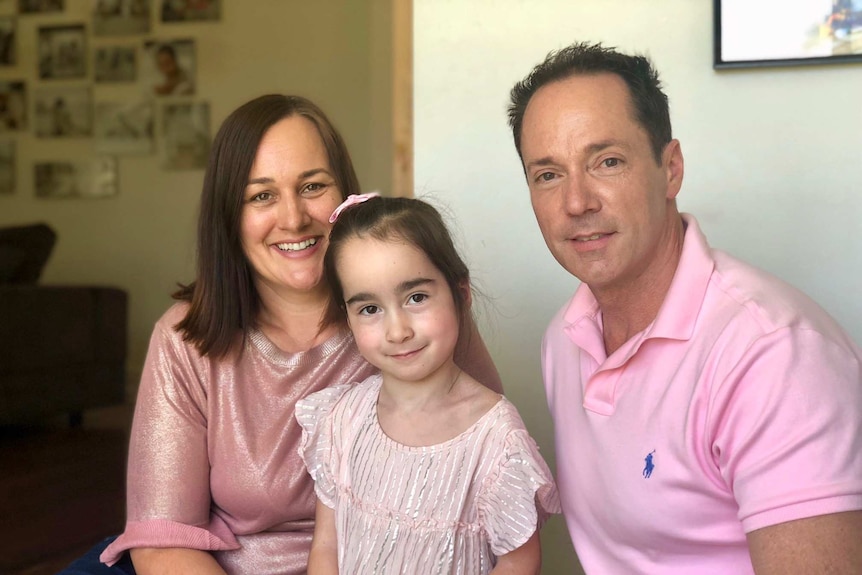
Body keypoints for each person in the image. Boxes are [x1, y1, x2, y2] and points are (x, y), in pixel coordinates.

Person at [59, 94, 501, 574]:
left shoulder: (412, 322)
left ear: (345, 198)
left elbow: (484, 483)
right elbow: (165, 541)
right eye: (262, 195)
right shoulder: (186, 338)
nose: (293, 218)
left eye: (313, 186)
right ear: (230, 216)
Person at [507, 41, 862, 574]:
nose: (577, 202)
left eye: (607, 161)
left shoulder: (775, 354)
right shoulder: (564, 339)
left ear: (670, 169)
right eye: (549, 174)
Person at [296, 193, 560, 574]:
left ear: (460, 295)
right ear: (348, 318)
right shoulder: (342, 419)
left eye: (416, 297)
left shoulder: (496, 441)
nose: (397, 330)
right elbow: (326, 546)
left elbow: (519, 563)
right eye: (370, 309)